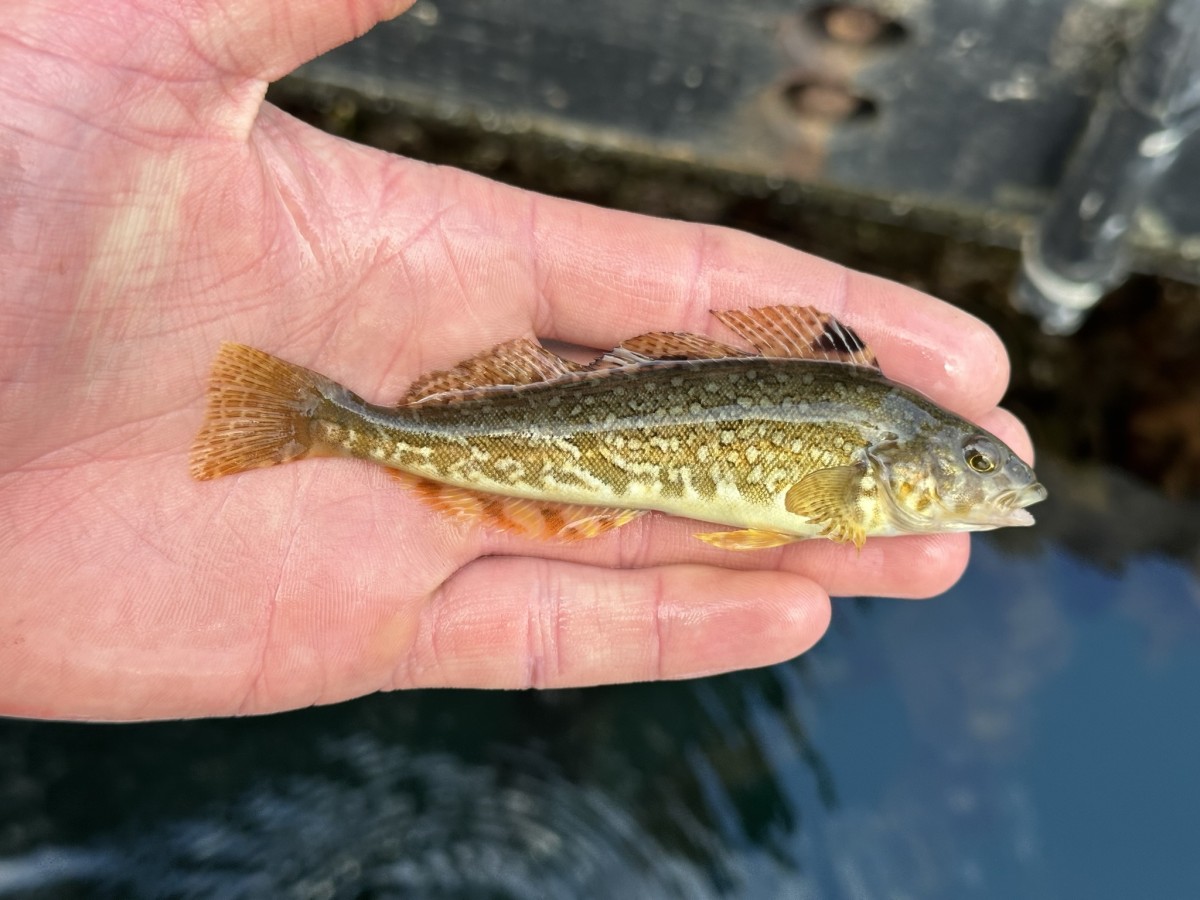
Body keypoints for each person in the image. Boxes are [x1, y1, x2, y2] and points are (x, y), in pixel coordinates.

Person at [0, 0, 1032, 721]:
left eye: (985, 473)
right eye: (978, 470)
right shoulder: (863, 442)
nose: (998, 488)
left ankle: (336, 423)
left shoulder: (867, 436)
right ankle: (325, 420)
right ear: (910, 466)